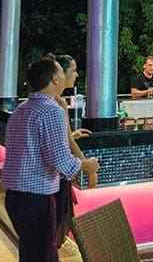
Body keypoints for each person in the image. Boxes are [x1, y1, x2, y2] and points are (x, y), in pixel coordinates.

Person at [3, 54, 100, 262]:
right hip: (36, 199)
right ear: (55, 79)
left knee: (30, 253)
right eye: (62, 71)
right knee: (43, 255)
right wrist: (88, 166)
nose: (68, 75)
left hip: (14, 197)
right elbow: (61, 161)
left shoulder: (20, 110)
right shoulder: (51, 110)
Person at [52, 55, 94, 250]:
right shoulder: (56, 105)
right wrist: (88, 166)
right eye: (73, 70)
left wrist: (72, 134)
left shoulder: (57, 102)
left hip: (53, 181)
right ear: (60, 74)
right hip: (55, 180)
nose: (76, 74)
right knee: (55, 232)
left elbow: (66, 137)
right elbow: (67, 143)